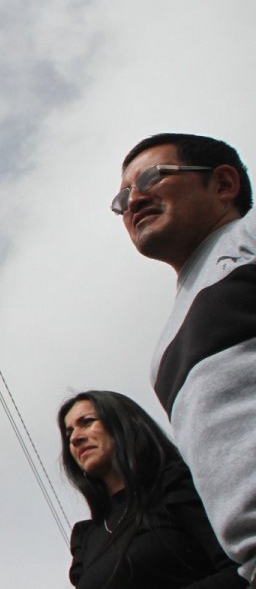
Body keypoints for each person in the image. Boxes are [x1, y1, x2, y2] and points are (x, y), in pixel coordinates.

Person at [114, 133, 256, 581]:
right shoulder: (162, 351)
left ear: (223, 184)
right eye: (122, 198)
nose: (134, 200)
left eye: (153, 177)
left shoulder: (248, 239)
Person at [58, 390, 244, 588]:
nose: (75, 438)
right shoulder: (86, 538)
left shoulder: (177, 487)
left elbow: (241, 570)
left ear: (123, 423)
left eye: (87, 422)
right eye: (69, 434)